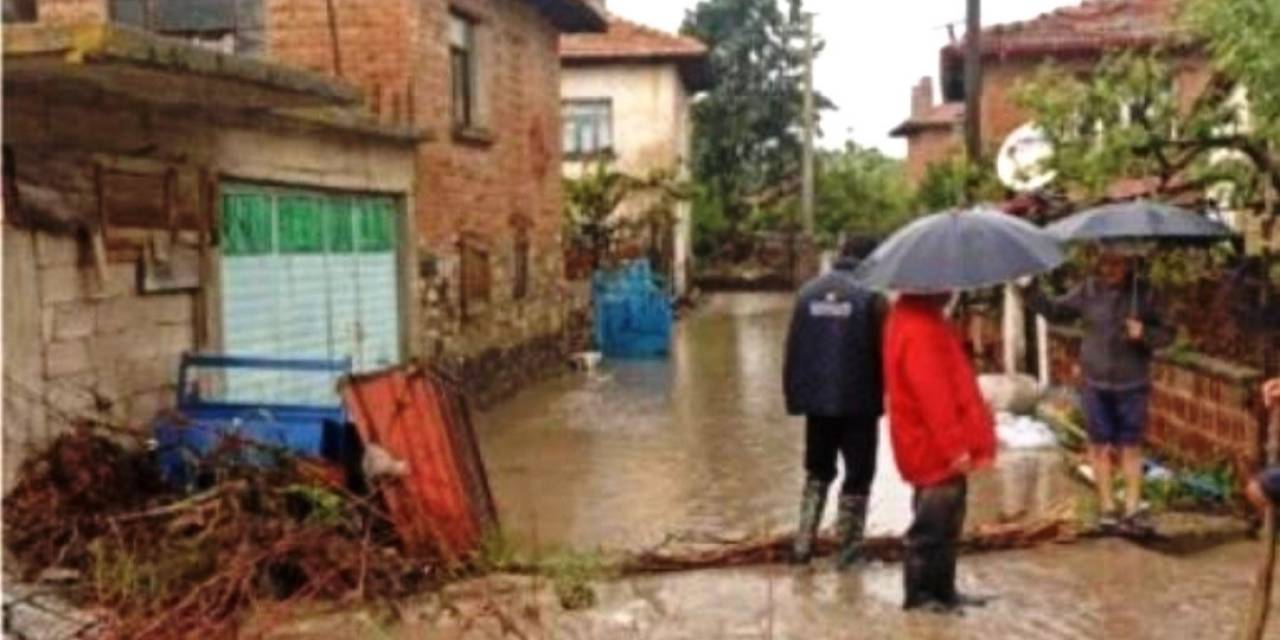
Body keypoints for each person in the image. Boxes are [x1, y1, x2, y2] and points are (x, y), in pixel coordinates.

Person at [1023, 249, 1173, 532]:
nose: (1109, 269)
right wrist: (1030, 289)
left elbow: (1168, 335)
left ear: (1129, 263)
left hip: (1132, 382)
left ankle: (1132, 507)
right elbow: (1056, 312)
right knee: (1098, 444)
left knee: (1131, 445)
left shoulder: (1145, 294)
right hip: (1096, 382)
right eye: (1104, 262)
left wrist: (1144, 335)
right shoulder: (1088, 291)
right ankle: (1106, 508)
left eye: (1116, 262)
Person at [884, 291, 996, 614]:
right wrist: (955, 446)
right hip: (932, 446)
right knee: (932, 525)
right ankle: (920, 596)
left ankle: (943, 591)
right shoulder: (920, 327)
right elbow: (934, 395)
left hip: (930, 442)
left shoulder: (920, 319)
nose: (952, 290)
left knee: (948, 521)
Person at [782, 237, 885, 569]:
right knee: (858, 476)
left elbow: (792, 350)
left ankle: (802, 547)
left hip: (817, 405)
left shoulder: (808, 293)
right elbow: (886, 354)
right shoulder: (872, 298)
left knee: (817, 471)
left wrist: (795, 398)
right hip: (859, 404)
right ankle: (848, 554)